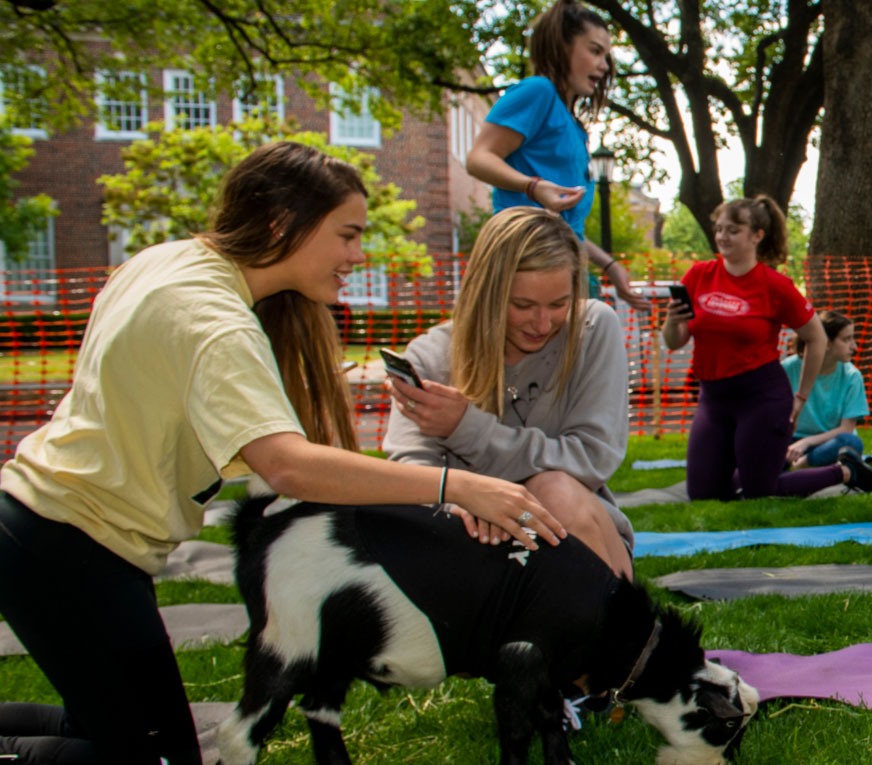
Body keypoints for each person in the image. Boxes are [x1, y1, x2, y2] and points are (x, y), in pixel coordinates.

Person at [0, 142, 554, 765]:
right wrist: (459, 487)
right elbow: (286, 464)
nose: (357, 254)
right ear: (282, 222)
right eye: (347, 235)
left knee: (111, 725)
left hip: (56, 528)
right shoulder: (216, 321)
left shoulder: (173, 262)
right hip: (67, 544)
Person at [383, 206, 636, 581]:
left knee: (553, 489)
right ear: (487, 292)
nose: (543, 323)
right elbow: (411, 471)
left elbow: (592, 457)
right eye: (523, 305)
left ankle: (613, 631)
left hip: (575, 532)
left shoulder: (594, 326)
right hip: (468, 540)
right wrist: (466, 500)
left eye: (559, 304)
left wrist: (467, 429)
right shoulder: (429, 356)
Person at [664, 196, 872, 500]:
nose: (722, 237)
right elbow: (675, 341)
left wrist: (801, 396)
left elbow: (817, 338)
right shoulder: (698, 276)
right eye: (719, 229)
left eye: (733, 230)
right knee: (703, 496)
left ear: (757, 235)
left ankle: (846, 471)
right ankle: (763, 465)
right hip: (713, 399)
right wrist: (671, 321)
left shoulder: (775, 285)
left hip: (760, 399)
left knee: (760, 493)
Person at [464, 0, 651, 312]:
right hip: (527, 265)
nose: (604, 65)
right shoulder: (537, 92)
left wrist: (610, 266)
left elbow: (567, 227)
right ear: (562, 47)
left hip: (564, 265)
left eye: (606, 55)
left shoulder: (574, 128)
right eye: (594, 51)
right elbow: (479, 158)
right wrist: (534, 187)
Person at [784, 310, 872, 479]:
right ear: (825, 342)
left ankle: (802, 464)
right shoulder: (788, 368)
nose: (854, 347)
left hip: (827, 444)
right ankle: (791, 463)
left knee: (852, 443)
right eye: (846, 339)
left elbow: (846, 429)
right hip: (791, 442)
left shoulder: (852, 376)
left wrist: (806, 443)